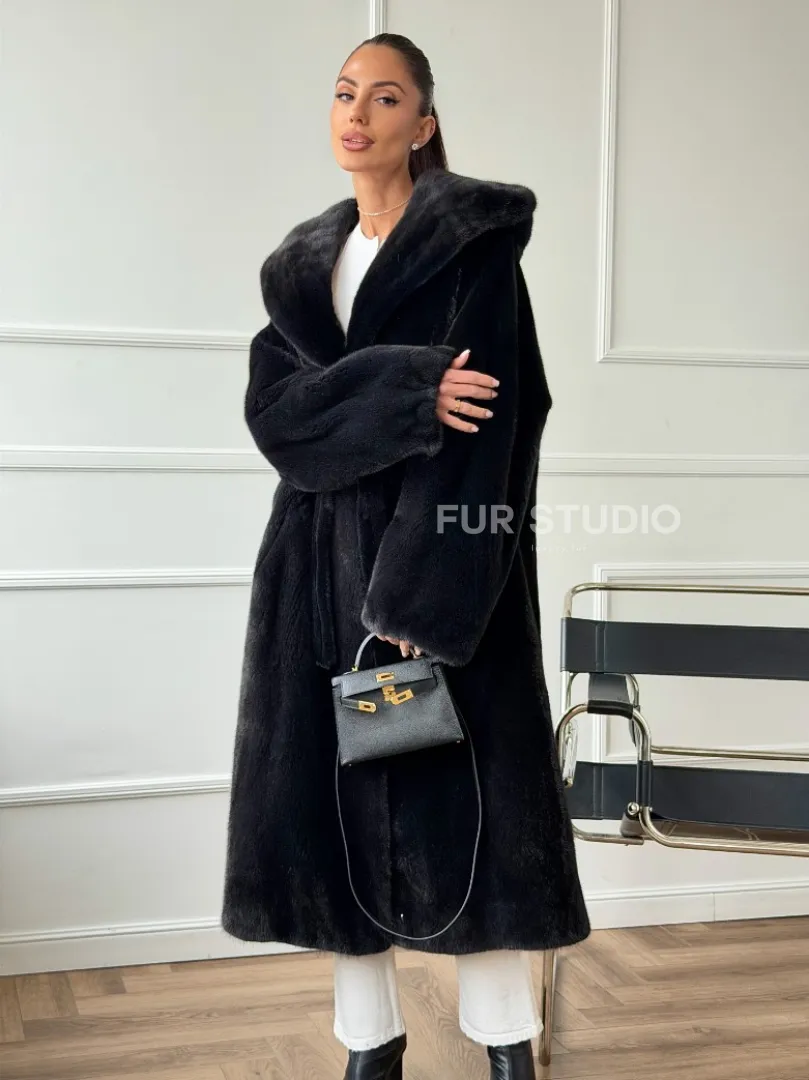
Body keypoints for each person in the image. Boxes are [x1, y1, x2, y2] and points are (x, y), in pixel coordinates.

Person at [221, 32, 591, 1080]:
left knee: (472, 823)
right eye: (345, 92)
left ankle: (507, 1048)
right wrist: (408, 389)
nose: (357, 113)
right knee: (334, 818)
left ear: (421, 124)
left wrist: (418, 602)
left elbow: (497, 424)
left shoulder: (472, 252)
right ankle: (367, 1044)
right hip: (308, 580)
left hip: (438, 582)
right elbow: (278, 425)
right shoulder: (300, 270)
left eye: (384, 98)